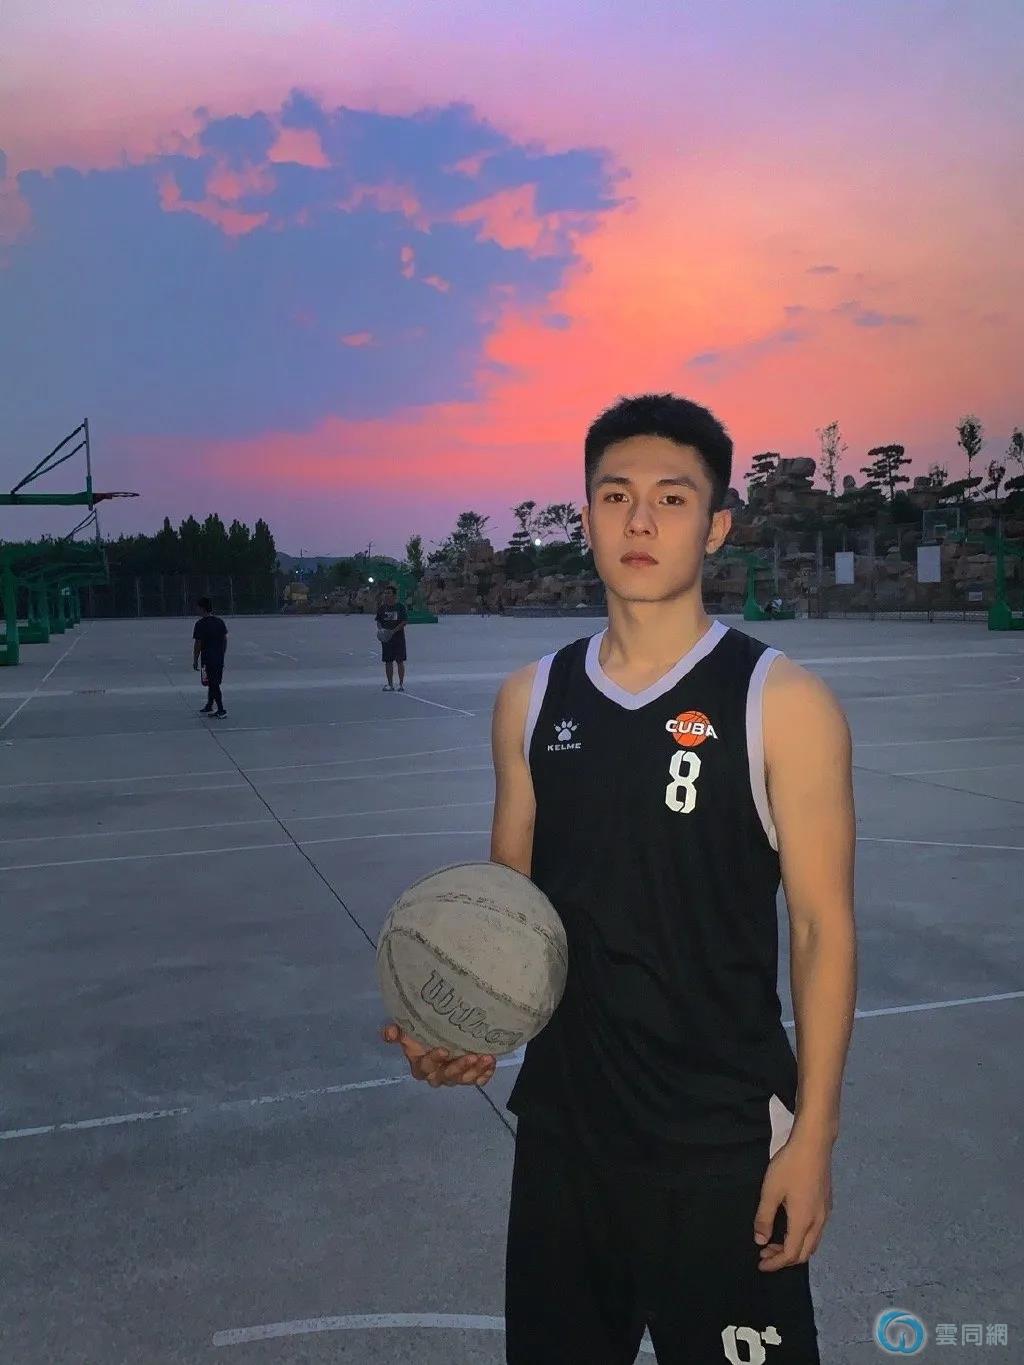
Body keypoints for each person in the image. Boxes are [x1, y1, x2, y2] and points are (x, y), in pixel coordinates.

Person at [383, 393, 856, 1363]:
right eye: (615, 496)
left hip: (723, 1147)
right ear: (587, 515)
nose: (640, 521)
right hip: (566, 1142)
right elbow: (506, 921)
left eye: (672, 499)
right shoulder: (529, 700)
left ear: (715, 526)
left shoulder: (782, 702)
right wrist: (454, 1035)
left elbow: (821, 930)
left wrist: (812, 1139)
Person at [192, 596, 228, 717]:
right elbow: (224, 639)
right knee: (212, 681)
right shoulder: (219, 622)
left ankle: (221, 709)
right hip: (218, 658)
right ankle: (209, 704)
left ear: (202, 608)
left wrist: (195, 659)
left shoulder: (200, 624)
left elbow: (198, 644)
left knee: (213, 683)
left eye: (198, 607)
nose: (196, 610)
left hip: (207, 659)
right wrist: (222, 653)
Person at [375, 584, 408, 692]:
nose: (386, 595)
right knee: (388, 661)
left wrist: (393, 631)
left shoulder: (400, 607)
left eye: (388, 593)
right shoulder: (382, 608)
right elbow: (378, 621)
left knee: (400, 661)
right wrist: (382, 630)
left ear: (394, 595)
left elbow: (404, 621)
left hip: (398, 639)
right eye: (385, 593)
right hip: (386, 640)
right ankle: (390, 684)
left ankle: (401, 684)